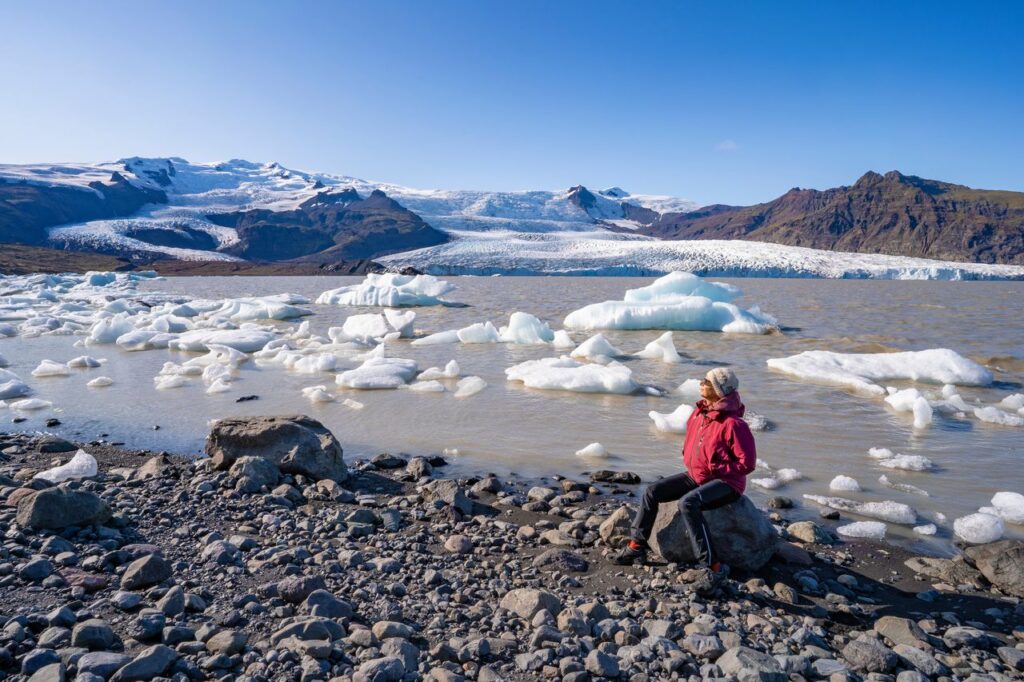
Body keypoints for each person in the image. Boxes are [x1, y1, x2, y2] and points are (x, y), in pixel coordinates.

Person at [613, 366, 757, 594]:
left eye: (707, 382)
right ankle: (636, 546)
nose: (701, 383)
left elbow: (747, 464)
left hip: (727, 483)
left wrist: (715, 466)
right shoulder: (699, 413)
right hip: (697, 476)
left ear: (720, 390)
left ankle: (713, 567)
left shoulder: (734, 425)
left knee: (688, 503)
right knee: (652, 492)